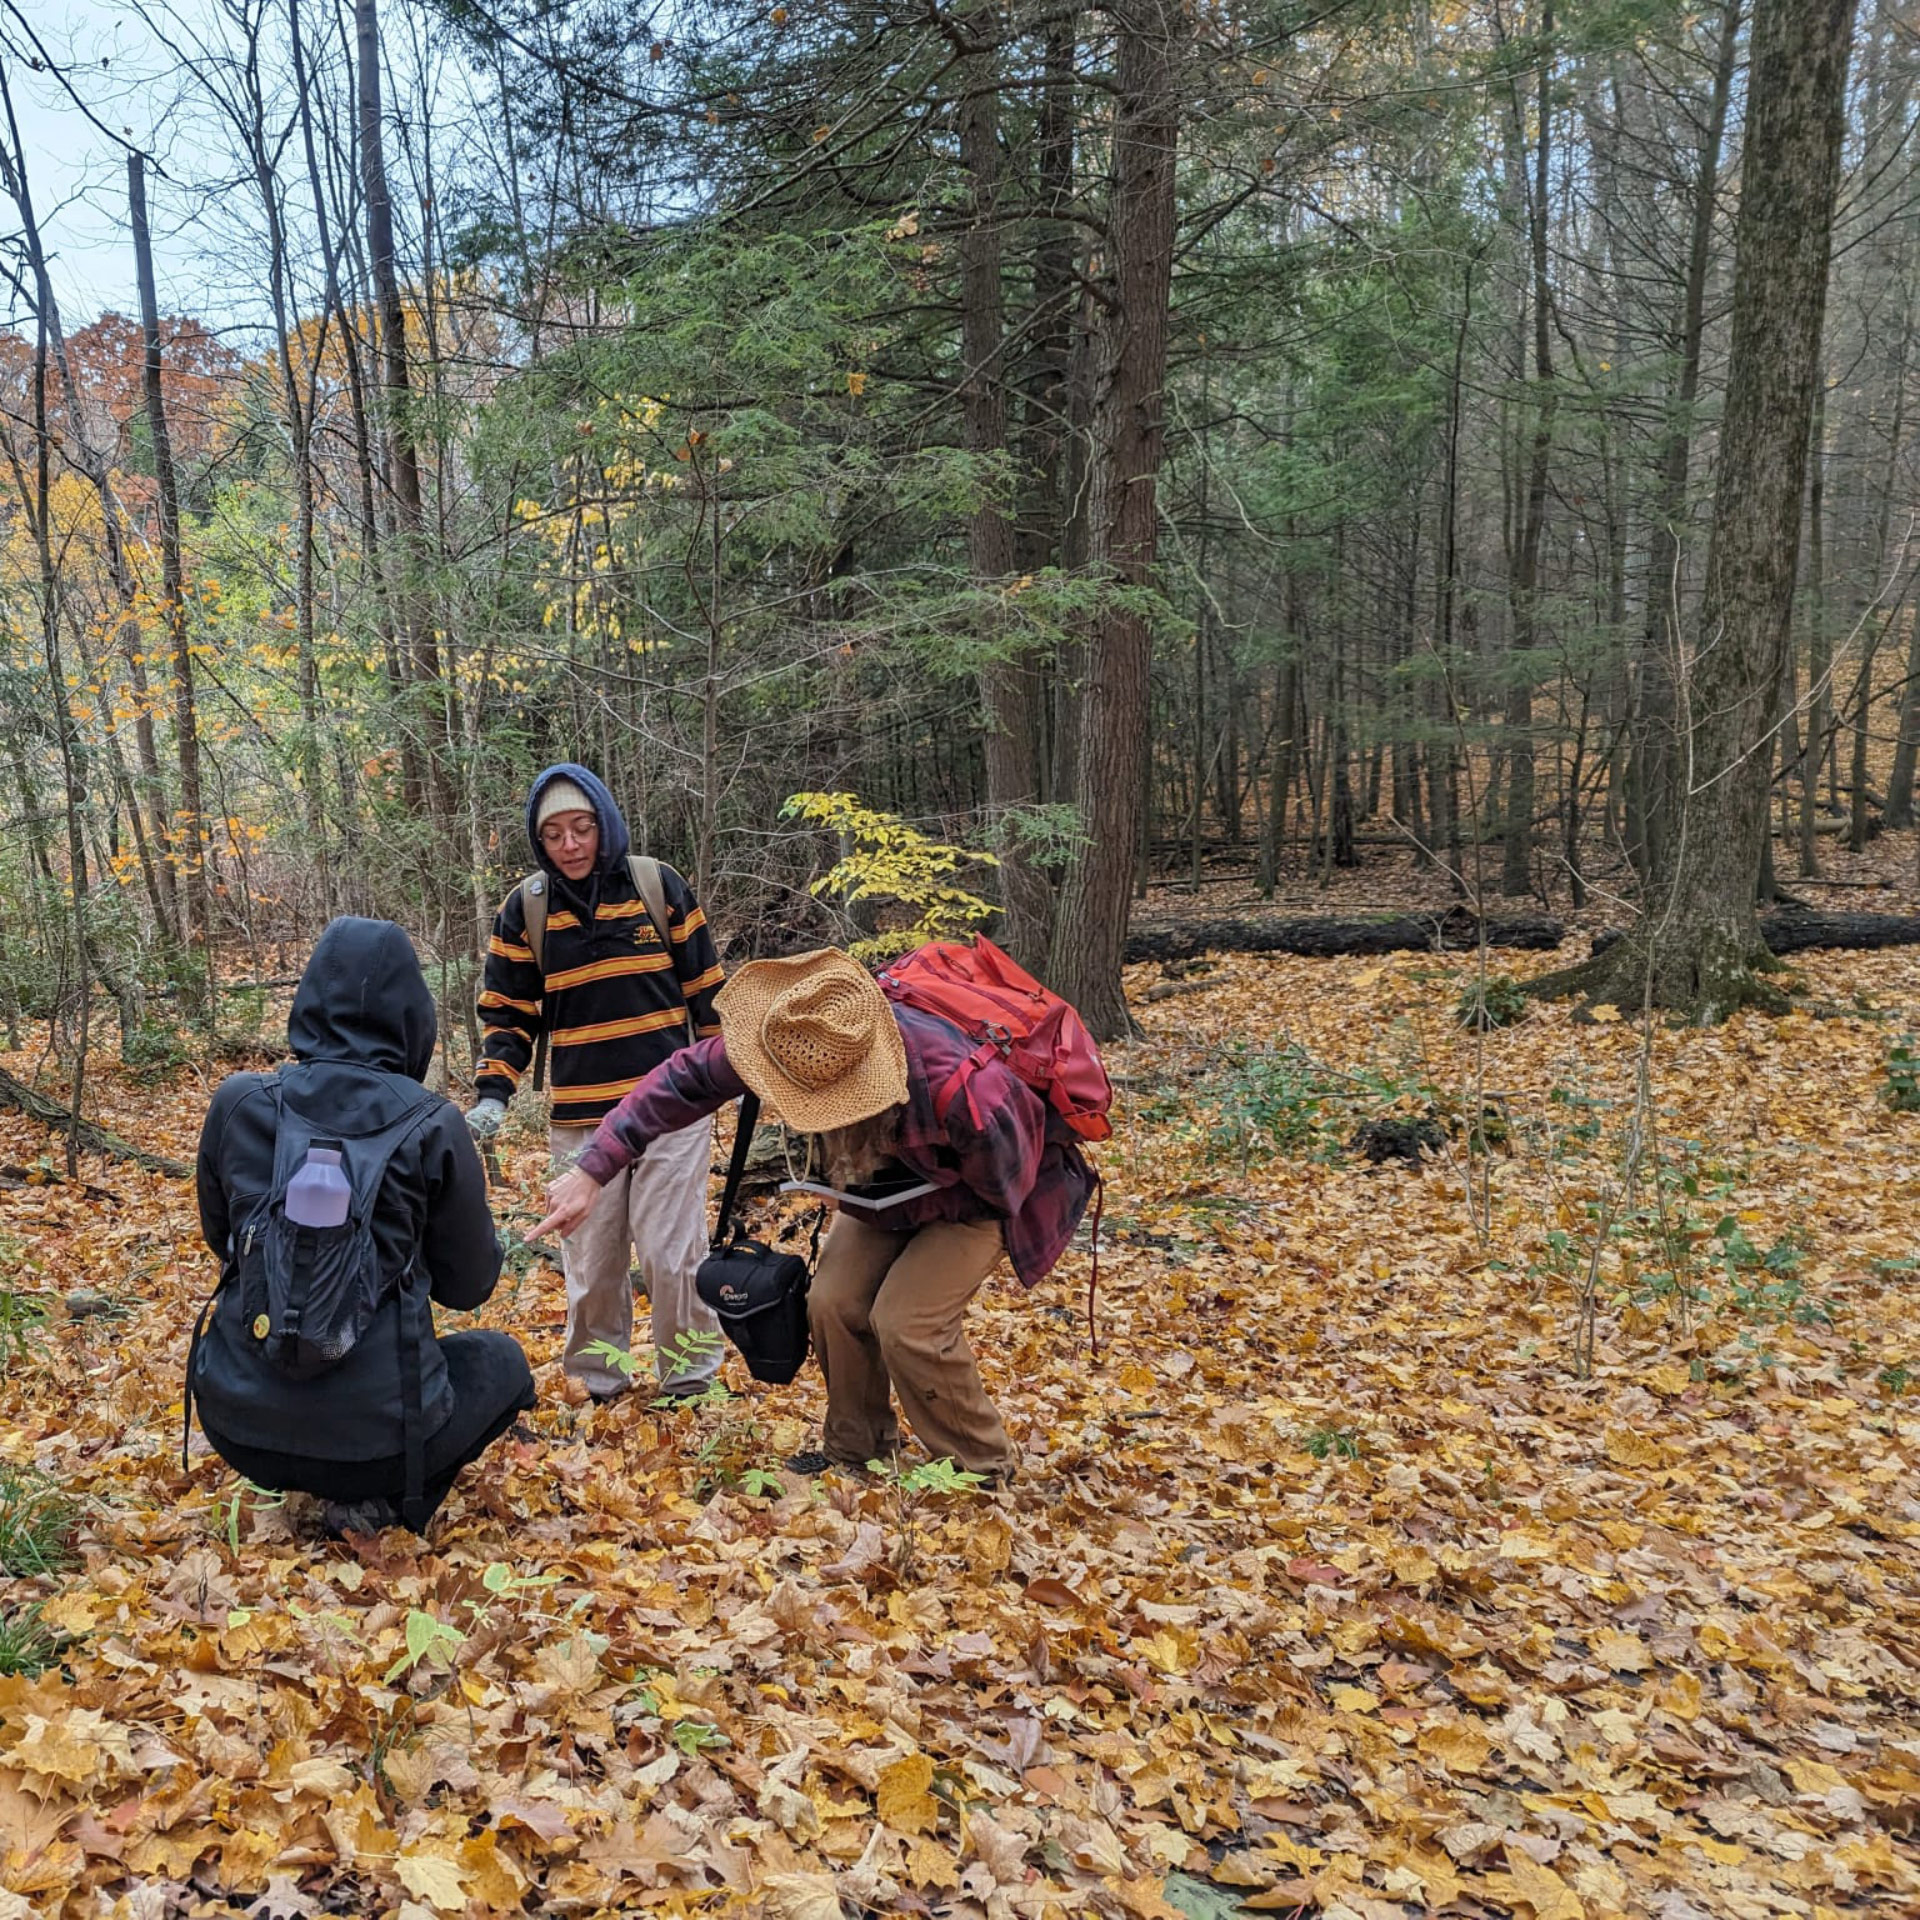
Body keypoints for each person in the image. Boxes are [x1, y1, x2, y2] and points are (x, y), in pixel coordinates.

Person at [532, 948, 1094, 1478]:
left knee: (906, 1322)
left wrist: (899, 1201)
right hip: (889, 1184)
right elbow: (680, 1081)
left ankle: (980, 1467)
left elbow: (1007, 1182)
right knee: (831, 1302)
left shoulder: (962, 1089)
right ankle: (858, 1448)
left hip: (985, 1196)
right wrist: (592, 1170)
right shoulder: (793, 1038)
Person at [188, 917, 534, 1535]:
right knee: (502, 1361)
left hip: (235, 1424)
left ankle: (304, 1466)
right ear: (413, 1014)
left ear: (311, 997)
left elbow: (224, 1243)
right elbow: (469, 1286)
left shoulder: (238, 1102)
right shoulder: (432, 1124)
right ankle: (386, 1502)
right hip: (383, 1441)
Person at [467, 764, 727, 1401]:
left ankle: (690, 1381)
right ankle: (600, 1383)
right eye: (553, 834)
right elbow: (508, 1012)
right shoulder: (525, 910)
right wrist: (494, 1093)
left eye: (581, 829)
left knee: (671, 1255)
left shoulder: (656, 885)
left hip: (673, 1109)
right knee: (592, 1264)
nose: (570, 845)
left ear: (603, 824)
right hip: (581, 1118)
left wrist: (731, 1073)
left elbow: (710, 997)